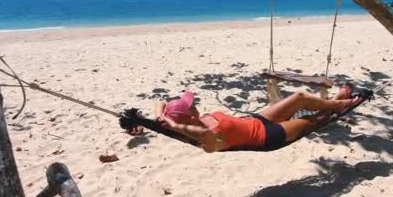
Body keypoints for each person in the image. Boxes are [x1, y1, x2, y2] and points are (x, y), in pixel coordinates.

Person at [128, 84, 363, 152]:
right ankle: (337, 106)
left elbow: (161, 103)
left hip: (257, 120)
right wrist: (169, 123)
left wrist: (160, 115)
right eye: (191, 105)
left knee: (300, 97)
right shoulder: (207, 138)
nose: (195, 104)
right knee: (315, 121)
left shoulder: (193, 121)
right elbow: (191, 131)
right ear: (187, 116)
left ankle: (336, 102)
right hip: (268, 136)